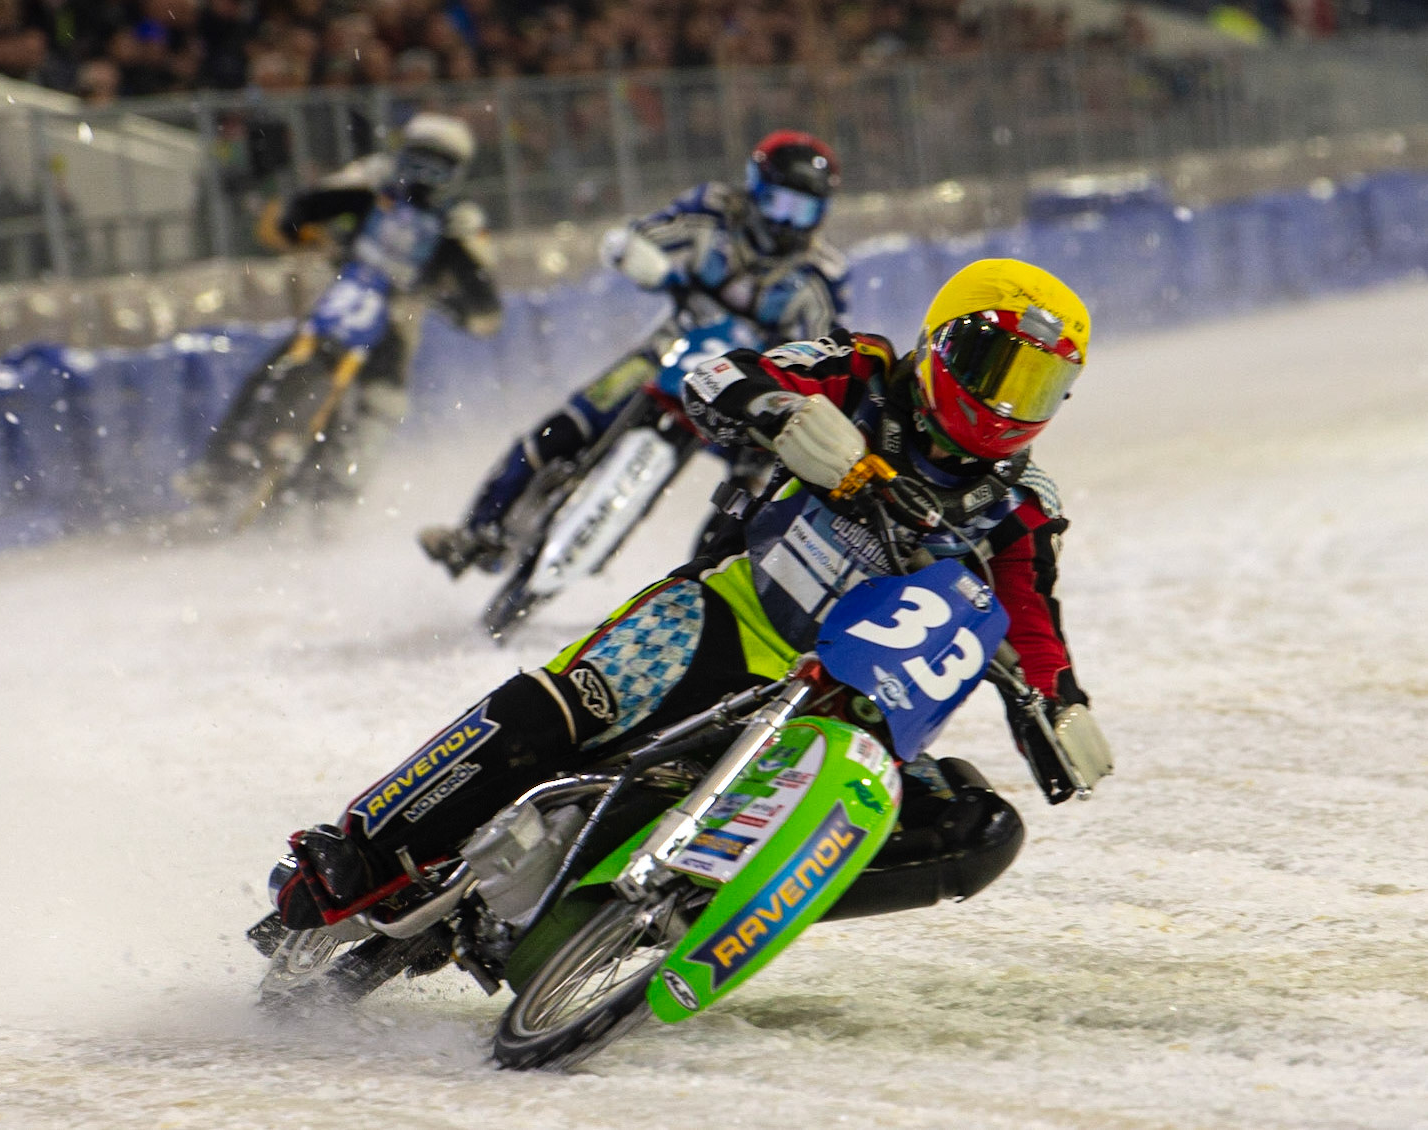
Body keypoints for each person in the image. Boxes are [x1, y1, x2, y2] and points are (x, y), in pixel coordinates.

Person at [270, 257, 1115, 930]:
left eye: (1035, 387)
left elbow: (1033, 624)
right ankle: (359, 848)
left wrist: (1058, 710)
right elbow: (719, 375)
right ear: (940, 345)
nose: (1006, 402)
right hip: (730, 611)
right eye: (994, 368)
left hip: (853, 702)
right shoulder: (858, 371)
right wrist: (785, 418)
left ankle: (703, 911)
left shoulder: (1021, 508)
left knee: (977, 828)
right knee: (566, 710)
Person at [417, 129, 851, 578]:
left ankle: (704, 583)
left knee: (753, 490)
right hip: (668, 350)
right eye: (778, 203)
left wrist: (787, 390)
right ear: (754, 187)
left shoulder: (824, 276)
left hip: (749, 391)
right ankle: (473, 532)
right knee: (566, 427)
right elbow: (642, 237)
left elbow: (825, 351)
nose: (786, 223)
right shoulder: (713, 210)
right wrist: (645, 259)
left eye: (803, 211)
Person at [186, 112, 501, 502]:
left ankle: (335, 494)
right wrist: (309, 231)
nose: (424, 172)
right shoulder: (374, 180)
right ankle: (222, 466)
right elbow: (308, 205)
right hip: (346, 291)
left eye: (439, 164)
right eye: (419, 157)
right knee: (279, 365)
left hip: (399, 312)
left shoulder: (461, 220)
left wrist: (462, 308)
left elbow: (484, 295)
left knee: (381, 402)